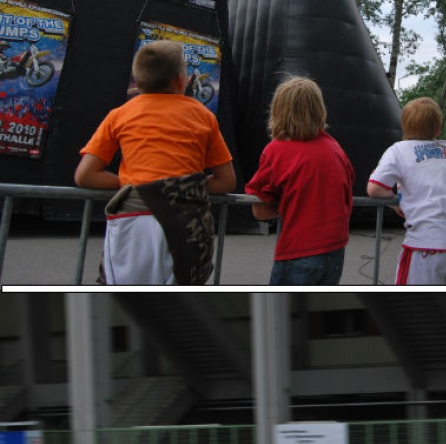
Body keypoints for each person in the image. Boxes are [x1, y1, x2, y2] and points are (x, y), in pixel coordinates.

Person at [74, 40, 236, 285]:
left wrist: (134, 183)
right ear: (181, 81)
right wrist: (185, 185)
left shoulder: (119, 115)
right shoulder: (204, 116)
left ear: (137, 81)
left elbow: (85, 175)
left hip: (133, 218)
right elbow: (226, 181)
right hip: (186, 222)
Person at [244, 76, 355, 285]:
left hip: (298, 250)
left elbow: (260, 210)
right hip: (335, 250)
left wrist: (292, 205)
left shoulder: (276, 151)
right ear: (319, 109)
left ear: (278, 111)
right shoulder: (335, 149)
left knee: (280, 312)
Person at [367, 96, 446, 285]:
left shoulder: (398, 150)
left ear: (403, 126)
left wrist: (395, 202)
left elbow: (375, 187)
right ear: (438, 129)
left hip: (425, 242)